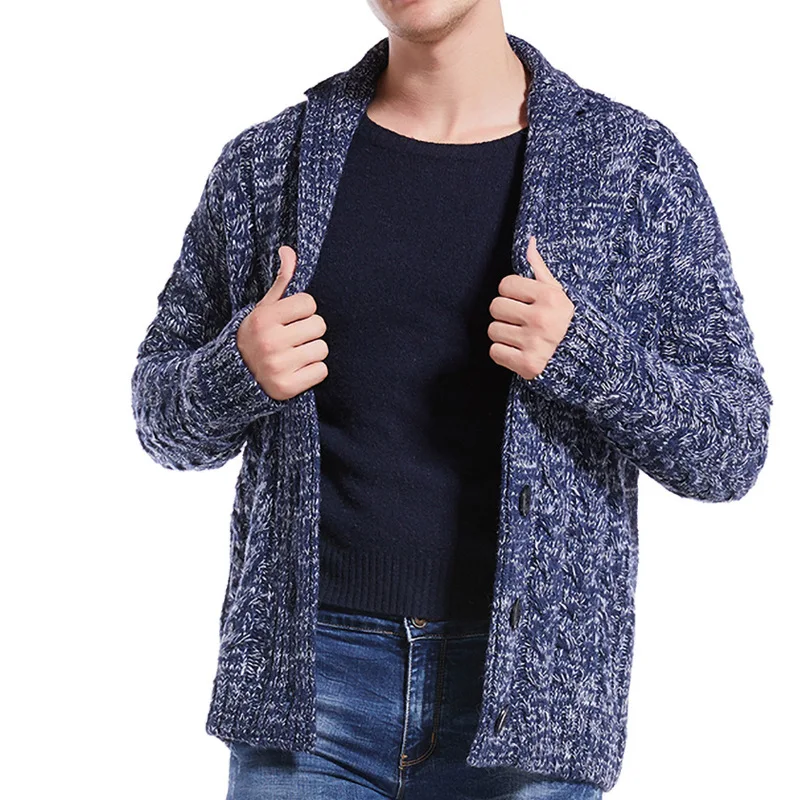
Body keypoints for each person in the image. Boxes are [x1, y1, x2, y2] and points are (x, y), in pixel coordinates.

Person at [131, 1, 772, 798]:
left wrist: (584, 356)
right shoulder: (269, 164)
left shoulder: (630, 167)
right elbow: (158, 415)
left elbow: (733, 447)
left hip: (532, 700)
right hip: (310, 686)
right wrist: (237, 368)